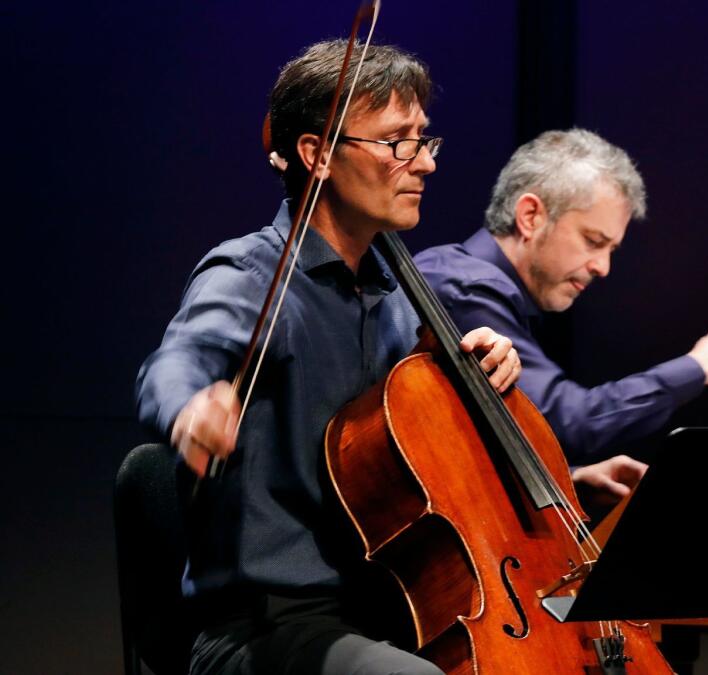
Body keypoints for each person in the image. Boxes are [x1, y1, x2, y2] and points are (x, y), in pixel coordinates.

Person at [135, 41, 629, 675]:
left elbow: (420, 483)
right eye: (398, 142)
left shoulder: (400, 295)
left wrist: (557, 484)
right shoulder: (253, 274)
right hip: (266, 629)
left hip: (388, 615)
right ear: (317, 155)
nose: (422, 163)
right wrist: (189, 409)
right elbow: (173, 364)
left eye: (425, 141)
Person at [415, 129, 708, 468]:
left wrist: (573, 479)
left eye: (612, 249)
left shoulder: (478, 283)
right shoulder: (466, 287)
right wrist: (700, 366)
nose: (603, 267)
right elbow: (569, 424)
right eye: (594, 241)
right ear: (530, 216)